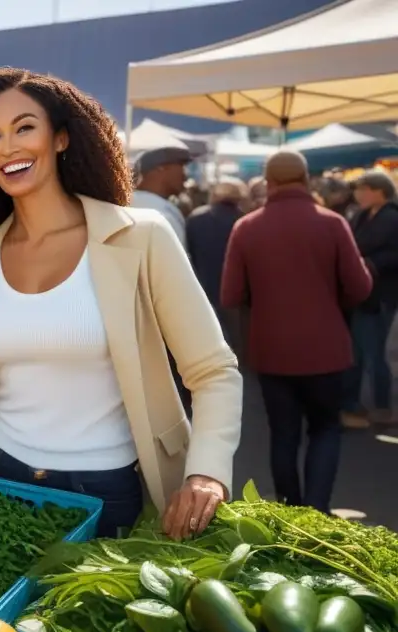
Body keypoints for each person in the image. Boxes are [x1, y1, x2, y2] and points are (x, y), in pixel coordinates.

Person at [0, 67, 242, 539]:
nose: (8, 147)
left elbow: (214, 371)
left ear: (60, 138)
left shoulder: (141, 238)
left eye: (24, 127)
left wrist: (207, 472)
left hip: (105, 490)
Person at [221, 151, 372, 513]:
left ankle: (292, 510)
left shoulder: (247, 227)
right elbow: (359, 287)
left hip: (272, 350)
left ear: (268, 183)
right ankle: (318, 510)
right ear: (306, 180)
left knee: (284, 434)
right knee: (325, 428)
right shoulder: (333, 223)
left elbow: (230, 294)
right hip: (326, 347)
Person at [342, 170, 398, 427]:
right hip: (359, 293)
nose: (358, 194)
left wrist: (369, 264)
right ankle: (353, 404)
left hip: (380, 295)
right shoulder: (361, 216)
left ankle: (383, 406)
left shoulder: (392, 217)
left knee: (375, 354)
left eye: (363, 189)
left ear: (379, 191)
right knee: (358, 353)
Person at [186, 178, 247, 347]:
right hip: (236, 297)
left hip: (203, 289)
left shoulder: (195, 218)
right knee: (236, 344)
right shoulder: (243, 220)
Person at [131, 146, 191, 244]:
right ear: (161, 168)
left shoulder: (128, 204)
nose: (185, 175)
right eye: (181, 166)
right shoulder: (160, 214)